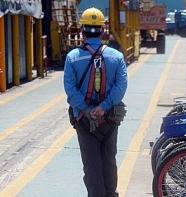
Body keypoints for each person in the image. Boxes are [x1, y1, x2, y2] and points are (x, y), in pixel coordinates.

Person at [63, 7, 128, 197]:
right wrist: (103, 107)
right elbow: (121, 87)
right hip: (109, 119)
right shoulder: (116, 56)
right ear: (103, 30)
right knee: (109, 159)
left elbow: (70, 89)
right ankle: (111, 194)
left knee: (91, 162)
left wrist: (85, 108)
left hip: (84, 119)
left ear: (82, 30)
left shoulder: (72, 57)